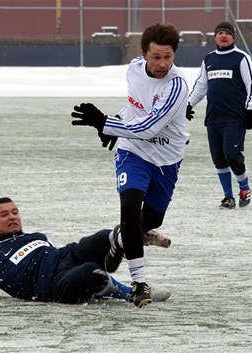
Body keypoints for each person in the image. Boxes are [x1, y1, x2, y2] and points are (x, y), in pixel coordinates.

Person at [70, 23, 189, 307]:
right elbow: (135, 107)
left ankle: (120, 239)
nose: (162, 64)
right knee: (130, 207)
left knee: (151, 219)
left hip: (166, 159)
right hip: (132, 151)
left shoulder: (177, 85)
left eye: (168, 57)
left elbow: (149, 126)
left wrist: (104, 123)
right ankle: (139, 283)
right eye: (156, 57)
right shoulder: (133, 69)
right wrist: (115, 124)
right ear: (143, 55)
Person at [0, 197, 172, 307]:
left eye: (15, 212)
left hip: (66, 256)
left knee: (99, 238)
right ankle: (130, 293)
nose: (12, 217)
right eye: (5, 215)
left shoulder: (36, 236)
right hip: (52, 285)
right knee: (90, 274)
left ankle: (125, 238)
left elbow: (55, 253)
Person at [187, 21, 252, 209]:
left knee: (232, 153)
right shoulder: (209, 59)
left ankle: (244, 187)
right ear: (215, 37)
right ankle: (228, 197)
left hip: (235, 117)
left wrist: (251, 109)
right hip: (213, 118)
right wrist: (187, 105)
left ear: (233, 37)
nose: (223, 36)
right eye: (220, 33)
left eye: (227, 33)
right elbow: (201, 87)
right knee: (218, 158)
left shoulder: (241, 58)